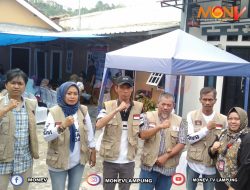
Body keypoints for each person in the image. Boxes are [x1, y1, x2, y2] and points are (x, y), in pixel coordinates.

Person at [43, 81, 96, 190]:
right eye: (69, 93)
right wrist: (62, 126)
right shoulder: (54, 112)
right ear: (62, 94)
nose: (72, 96)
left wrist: (93, 150)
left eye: (75, 94)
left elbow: (90, 132)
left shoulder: (82, 110)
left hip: (78, 161)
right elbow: (46, 136)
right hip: (59, 160)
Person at [96, 75, 143, 190]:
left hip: (128, 160)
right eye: (122, 87)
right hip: (110, 160)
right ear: (116, 88)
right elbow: (98, 125)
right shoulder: (107, 106)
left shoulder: (139, 107)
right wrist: (116, 110)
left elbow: (142, 132)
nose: (125, 91)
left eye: (128, 88)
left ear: (132, 89)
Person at [0, 68, 39, 190]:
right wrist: (7, 108)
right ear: (6, 85)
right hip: (2, 160)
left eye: (20, 83)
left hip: (24, 160)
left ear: (25, 86)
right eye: (13, 83)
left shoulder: (31, 104)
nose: (16, 86)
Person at [139, 92, 187, 190]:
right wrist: (159, 126)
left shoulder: (181, 121)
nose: (165, 107)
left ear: (173, 106)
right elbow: (142, 135)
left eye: (169, 105)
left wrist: (166, 156)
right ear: (158, 104)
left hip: (168, 168)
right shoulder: (146, 116)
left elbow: (182, 142)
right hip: (149, 167)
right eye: (163, 104)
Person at [186, 87, 227, 190]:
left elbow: (225, 141)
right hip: (193, 163)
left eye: (210, 99)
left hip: (212, 165)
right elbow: (190, 139)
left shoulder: (223, 119)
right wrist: (206, 129)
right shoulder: (191, 115)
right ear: (200, 99)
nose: (207, 102)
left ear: (215, 100)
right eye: (204, 99)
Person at [208, 107, 250, 190]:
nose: (233, 121)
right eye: (230, 118)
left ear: (243, 119)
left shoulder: (247, 137)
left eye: (237, 119)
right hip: (221, 180)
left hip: (239, 184)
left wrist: (234, 186)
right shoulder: (223, 134)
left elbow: (246, 166)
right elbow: (212, 152)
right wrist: (213, 149)